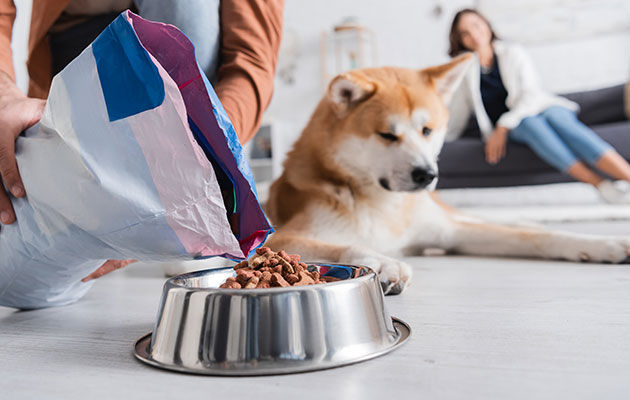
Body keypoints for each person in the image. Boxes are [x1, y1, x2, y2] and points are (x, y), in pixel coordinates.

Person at [0, 0, 284, 279]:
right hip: (76, 74)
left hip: (181, 107)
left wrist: (204, 162)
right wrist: (4, 93)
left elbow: (250, 59)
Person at [445, 8, 630, 203]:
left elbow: (530, 94)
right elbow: (458, 112)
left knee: (560, 121)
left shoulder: (513, 52)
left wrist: (502, 126)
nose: (474, 34)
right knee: (531, 125)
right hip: (520, 125)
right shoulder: (464, 70)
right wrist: (440, 139)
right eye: (465, 32)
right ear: (459, 39)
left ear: (486, 24)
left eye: (476, 25)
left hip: (542, 108)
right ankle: (601, 185)